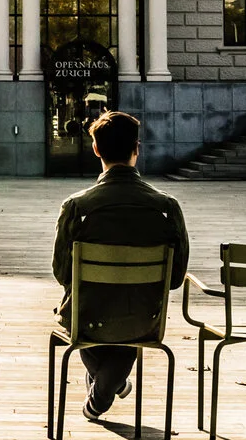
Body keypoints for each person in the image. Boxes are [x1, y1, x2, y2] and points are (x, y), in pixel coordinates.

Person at [51, 109, 190, 420]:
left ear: (96, 149)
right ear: (136, 149)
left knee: (79, 309)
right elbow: (177, 277)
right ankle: (108, 384)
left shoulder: (76, 207)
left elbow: (61, 273)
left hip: (88, 316)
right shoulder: (167, 208)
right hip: (143, 320)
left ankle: (104, 390)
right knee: (129, 314)